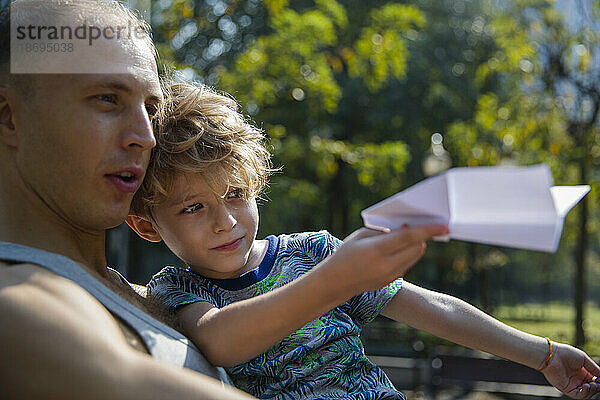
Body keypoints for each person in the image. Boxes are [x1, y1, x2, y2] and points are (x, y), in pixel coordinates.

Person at [0, 1, 447, 399]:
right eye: (106, 98)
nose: (145, 136)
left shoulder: (152, 296)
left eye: (150, 108)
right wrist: (336, 278)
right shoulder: (18, 303)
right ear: (9, 117)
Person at [126, 81, 600, 400]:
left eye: (234, 193)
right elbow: (218, 341)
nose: (225, 221)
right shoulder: (177, 290)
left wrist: (546, 354)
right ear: (147, 225)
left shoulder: (312, 253)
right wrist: (338, 279)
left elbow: (435, 308)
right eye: (193, 208)